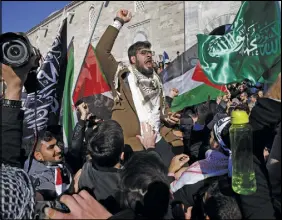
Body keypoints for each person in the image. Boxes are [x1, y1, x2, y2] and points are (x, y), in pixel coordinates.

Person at [95, 9, 181, 166]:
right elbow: (101, 51)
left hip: (158, 140)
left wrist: (168, 116)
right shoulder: (122, 77)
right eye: (143, 53)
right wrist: (118, 21)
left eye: (150, 52)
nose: (149, 55)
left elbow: (161, 109)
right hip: (133, 146)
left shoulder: (156, 81)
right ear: (133, 59)